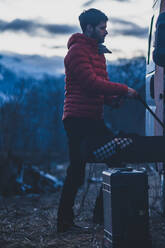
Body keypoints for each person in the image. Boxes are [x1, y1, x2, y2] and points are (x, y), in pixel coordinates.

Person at [57, 8, 138, 233]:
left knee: (116, 157)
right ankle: (64, 222)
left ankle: (100, 217)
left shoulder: (97, 53)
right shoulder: (76, 52)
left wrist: (112, 100)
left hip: (93, 119)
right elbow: (91, 83)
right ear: (89, 28)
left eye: (105, 27)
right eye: (102, 28)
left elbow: (98, 89)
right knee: (77, 170)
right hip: (77, 120)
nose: (106, 32)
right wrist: (124, 90)